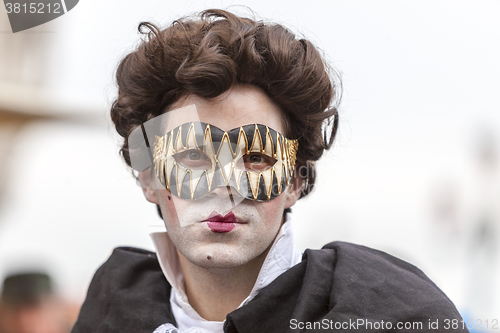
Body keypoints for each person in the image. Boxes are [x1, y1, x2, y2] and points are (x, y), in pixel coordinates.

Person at [71, 9, 468, 333]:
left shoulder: (388, 315)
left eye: (257, 157)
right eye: (193, 155)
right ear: (152, 178)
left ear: (295, 179)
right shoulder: (111, 312)